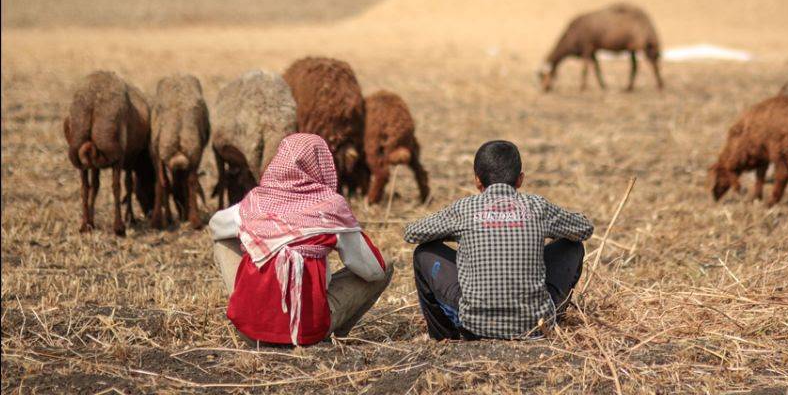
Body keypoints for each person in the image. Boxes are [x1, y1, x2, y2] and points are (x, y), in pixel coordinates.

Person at [209, 133, 392, 346]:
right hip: (305, 333)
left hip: (250, 333)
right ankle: (331, 335)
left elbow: (216, 225)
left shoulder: (255, 203)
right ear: (322, 165)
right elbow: (373, 270)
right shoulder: (329, 208)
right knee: (385, 264)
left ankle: (247, 307)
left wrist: (260, 236)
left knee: (224, 240)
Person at [405, 140, 593, 340]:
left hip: (474, 326)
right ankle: (553, 321)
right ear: (520, 179)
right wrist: (541, 229)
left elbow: (412, 233)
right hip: (534, 325)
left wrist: (455, 232)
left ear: (477, 180)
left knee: (423, 252)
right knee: (573, 246)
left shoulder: (464, 209)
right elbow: (584, 228)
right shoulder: (538, 207)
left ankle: (444, 337)